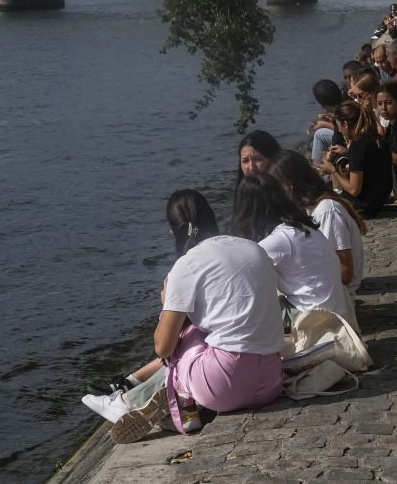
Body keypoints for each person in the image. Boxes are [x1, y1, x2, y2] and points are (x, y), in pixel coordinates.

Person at [95, 190, 285, 444]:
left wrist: (166, 305)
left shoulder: (186, 265)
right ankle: (176, 397)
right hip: (271, 381)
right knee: (205, 331)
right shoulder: (252, 247)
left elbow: (163, 347)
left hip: (224, 386)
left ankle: (157, 401)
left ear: (174, 231)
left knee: (185, 337)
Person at [230, 173, 355, 325]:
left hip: (315, 319)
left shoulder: (279, 241)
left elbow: (238, 274)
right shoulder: (303, 227)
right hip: (335, 312)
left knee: (247, 301)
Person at [268, 151, 368, 296]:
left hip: (337, 293)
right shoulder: (310, 207)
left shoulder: (327, 211)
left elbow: (344, 273)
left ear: (290, 186)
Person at [326, 100, 394, 218]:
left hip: (363, 207)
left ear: (345, 124)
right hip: (378, 201)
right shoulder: (377, 139)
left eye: (338, 125)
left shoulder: (357, 146)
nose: (340, 131)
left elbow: (354, 190)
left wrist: (332, 170)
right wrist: (348, 154)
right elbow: (369, 162)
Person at [308, 80, 343, 164]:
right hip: (343, 139)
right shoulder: (344, 104)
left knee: (320, 133)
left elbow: (345, 129)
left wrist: (324, 124)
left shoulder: (344, 109)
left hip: (345, 140)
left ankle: (315, 165)